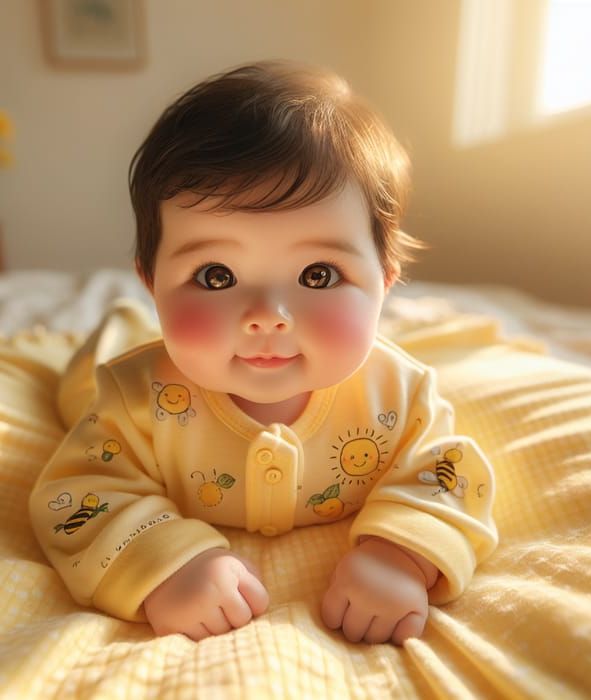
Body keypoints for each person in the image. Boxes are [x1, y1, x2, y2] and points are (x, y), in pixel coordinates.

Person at [29, 61, 497, 646]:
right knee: (75, 388)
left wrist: (400, 555)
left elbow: (448, 476)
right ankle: (115, 329)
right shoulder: (131, 399)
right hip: (109, 377)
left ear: (386, 281)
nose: (268, 314)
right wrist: (163, 565)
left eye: (319, 274)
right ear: (152, 283)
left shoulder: (399, 395)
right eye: (217, 275)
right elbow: (78, 495)